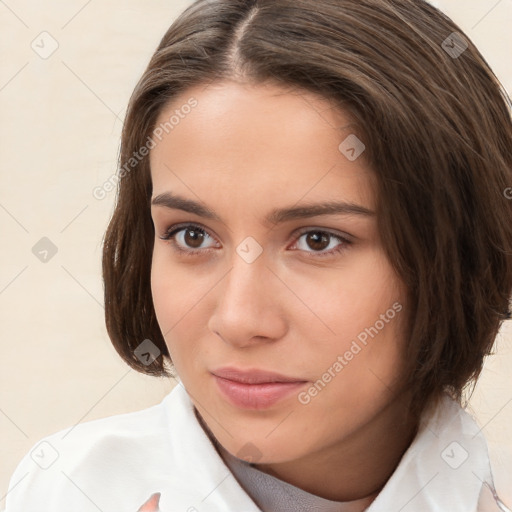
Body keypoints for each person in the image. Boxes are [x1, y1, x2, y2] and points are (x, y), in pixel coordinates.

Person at [4, 0, 512, 510]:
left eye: (318, 240)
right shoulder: (60, 491)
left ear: (460, 255)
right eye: (192, 236)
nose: (238, 319)